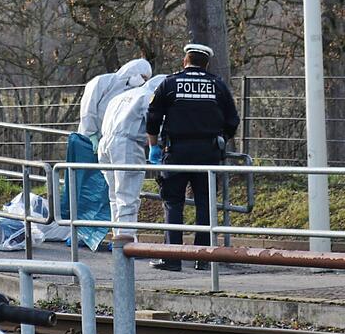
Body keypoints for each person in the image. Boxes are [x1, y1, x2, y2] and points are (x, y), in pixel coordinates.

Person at [145, 44, 239, 272]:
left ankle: (172, 258)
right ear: (206, 63)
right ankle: (203, 257)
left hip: (176, 152)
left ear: (185, 61)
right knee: (205, 204)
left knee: (173, 203)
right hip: (208, 153)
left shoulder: (169, 83)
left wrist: (154, 147)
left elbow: (153, 116)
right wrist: (222, 139)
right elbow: (233, 120)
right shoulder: (217, 85)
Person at [98, 74, 167, 238]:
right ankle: (127, 241)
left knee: (114, 196)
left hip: (105, 143)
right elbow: (154, 122)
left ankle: (118, 237)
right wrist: (158, 144)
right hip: (126, 146)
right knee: (127, 196)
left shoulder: (122, 96)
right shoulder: (148, 97)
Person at [78, 58, 152, 152]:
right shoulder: (102, 82)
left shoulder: (131, 93)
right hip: (88, 137)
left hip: (109, 141)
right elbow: (88, 108)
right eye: (142, 76)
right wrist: (91, 133)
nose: (142, 81)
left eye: (145, 79)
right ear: (133, 70)